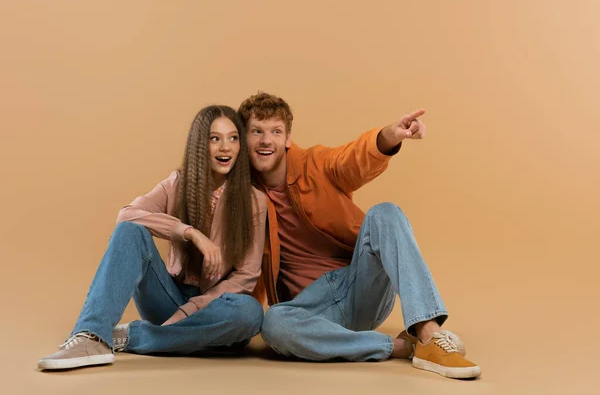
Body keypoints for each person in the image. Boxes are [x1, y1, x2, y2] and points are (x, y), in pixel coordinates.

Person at [238, 92, 481, 379]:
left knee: (385, 213)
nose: (267, 140)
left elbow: (352, 159)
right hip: (310, 310)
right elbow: (244, 266)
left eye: (275, 132)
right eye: (257, 132)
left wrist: (390, 135)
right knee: (275, 324)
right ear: (244, 140)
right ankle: (401, 347)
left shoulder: (315, 164)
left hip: (357, 286)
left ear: (288, 139)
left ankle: (429, 334)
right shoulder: (241, 197)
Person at [37, 105, 267, 371]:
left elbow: (246, 276)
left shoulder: (254, 201)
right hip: (166, 299)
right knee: (130, 231)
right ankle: (92, 337)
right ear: (199, 144)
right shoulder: (177, 183)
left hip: (212, 310)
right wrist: (190, 233)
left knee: (249, 314)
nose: (225, 147)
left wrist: (189, 311)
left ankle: (132, 337)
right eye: (214, 138)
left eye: (233, 138)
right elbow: (128, 215)